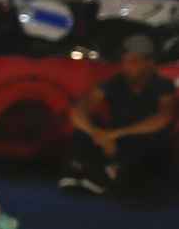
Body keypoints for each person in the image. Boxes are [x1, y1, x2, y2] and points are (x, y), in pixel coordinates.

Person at [62, 33, 176, 199]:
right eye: (125, 61)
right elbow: (79, 110)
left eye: (134, 62)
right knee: (83, 131)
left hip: (144, 144)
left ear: (149, 63)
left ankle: (109, 175)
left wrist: (115, 135)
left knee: (148, 146)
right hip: (113, 140)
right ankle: (81, 171)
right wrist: (97, 133)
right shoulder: (114, 82)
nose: (127, 67)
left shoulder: (163, 86)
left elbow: (162, 119)